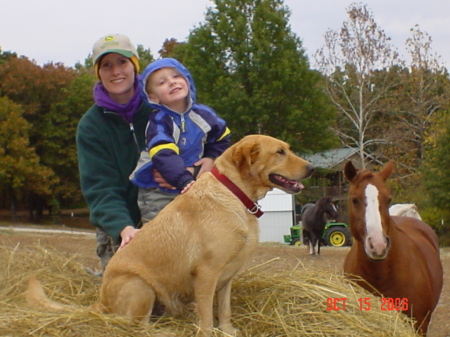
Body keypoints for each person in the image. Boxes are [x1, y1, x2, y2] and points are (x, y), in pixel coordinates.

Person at [76, 34, 154, 273]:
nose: (115, 71)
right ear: (98, 72)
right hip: (120, 227)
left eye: (122, 62)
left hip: (166, 219)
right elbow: (100, 188)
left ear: (134, 66)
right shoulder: (91, 126)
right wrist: (124, 229)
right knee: (127, 300)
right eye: (106, 65)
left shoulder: (159, 110)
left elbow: (200, 141)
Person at [130, 58, 231, 222]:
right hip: (159, 189)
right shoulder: (159, 122)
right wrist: (184, 180)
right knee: (161, 231)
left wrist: (212, 157)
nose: (171, 82)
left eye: (176, 76)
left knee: (198, 229)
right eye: (162, 82)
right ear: (153, 97)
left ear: (187, 80)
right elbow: (164, 155)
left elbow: (222, 138)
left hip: (192, 183)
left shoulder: (204, 115)